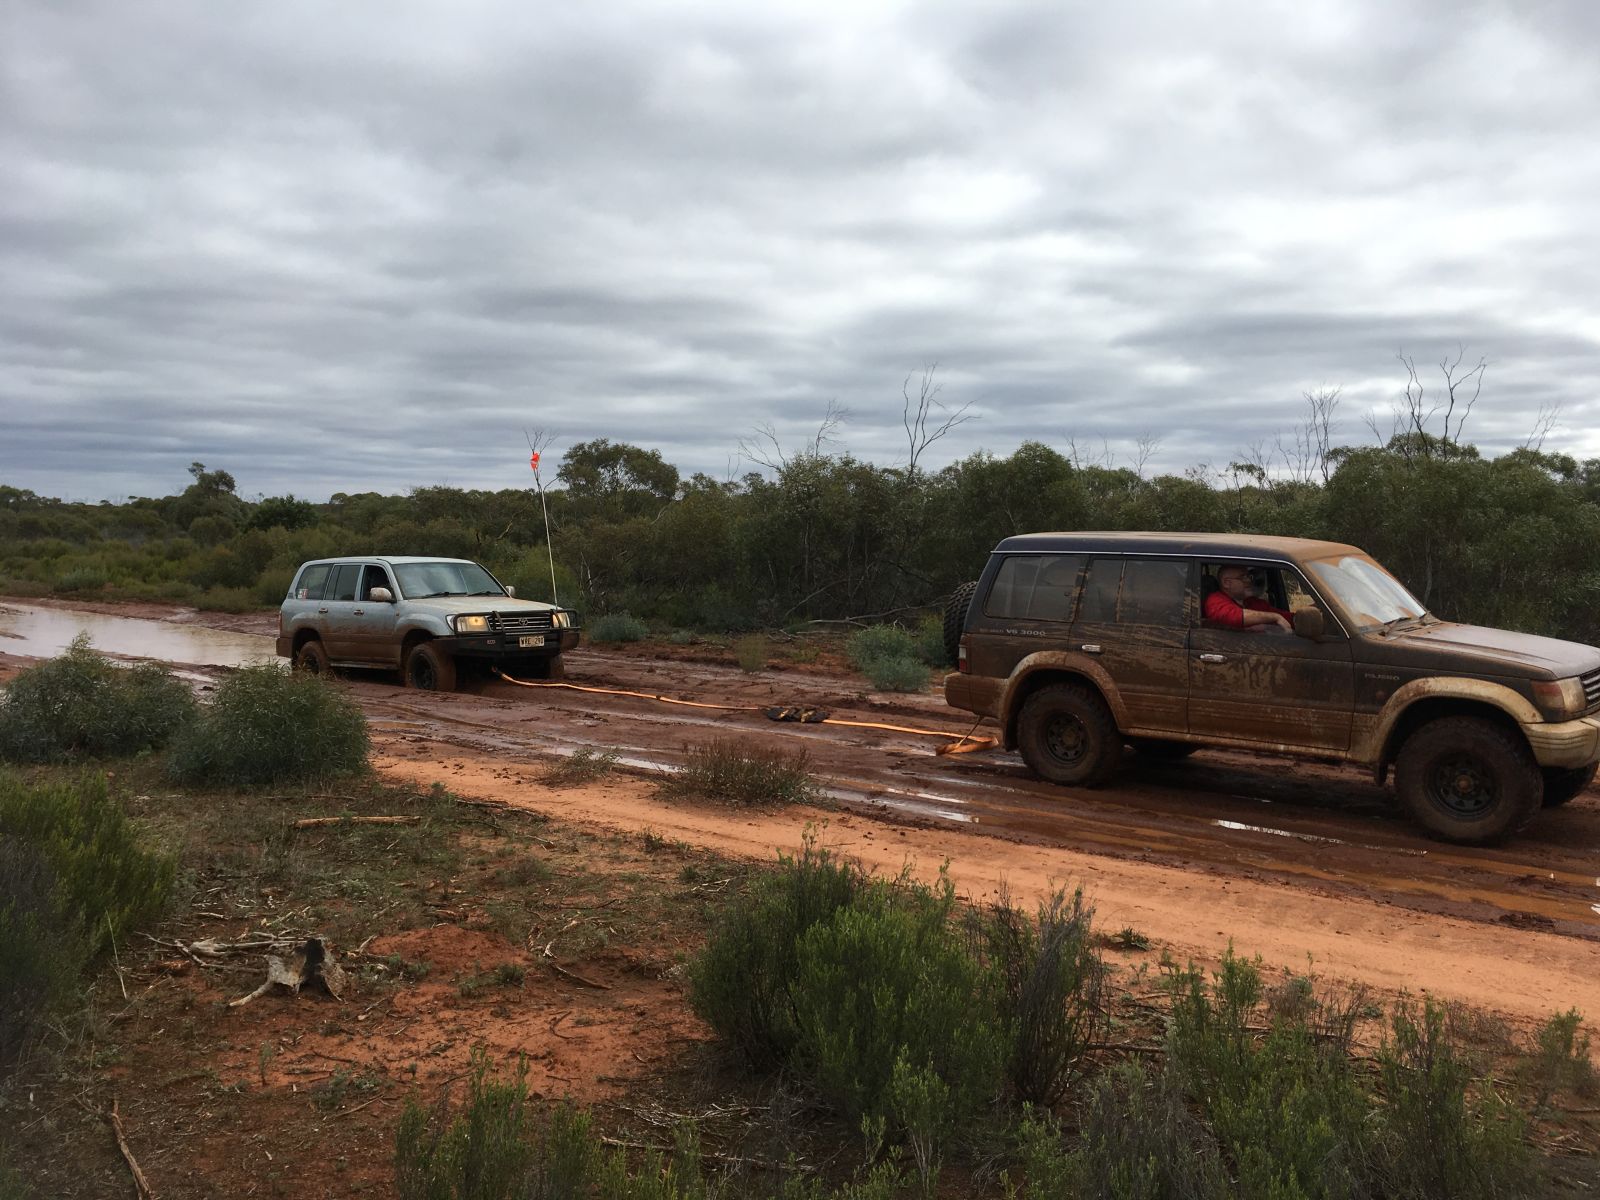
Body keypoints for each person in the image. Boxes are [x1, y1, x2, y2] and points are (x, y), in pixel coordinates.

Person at [1204, 564, 1294, 632]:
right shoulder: (1215, 601)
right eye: (1243, 577)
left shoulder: (1252, 602)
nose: (1249, 581)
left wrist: (1301, 617)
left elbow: (1285, 616)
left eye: (1248, 576)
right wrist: (1274, 617)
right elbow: (1235, 617)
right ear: (1226, 583)